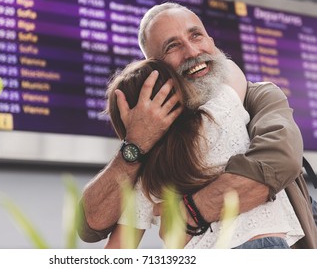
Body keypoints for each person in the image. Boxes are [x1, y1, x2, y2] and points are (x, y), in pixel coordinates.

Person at [78, 2, 317, 248]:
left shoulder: (256, 97)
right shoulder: (224, 106)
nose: (192, 52)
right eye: (172, 46)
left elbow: (281, 161)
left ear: (211, 41)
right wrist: (137, 143)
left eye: (196, 35)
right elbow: (89, 225)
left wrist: (187, 215)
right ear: (157, 68)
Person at [102, 57, 304, 249]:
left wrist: (137, 137)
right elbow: (230, 68)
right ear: (178, 92)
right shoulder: (218, 114)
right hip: (260, 245)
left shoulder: (146, 176)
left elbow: (118, 248)